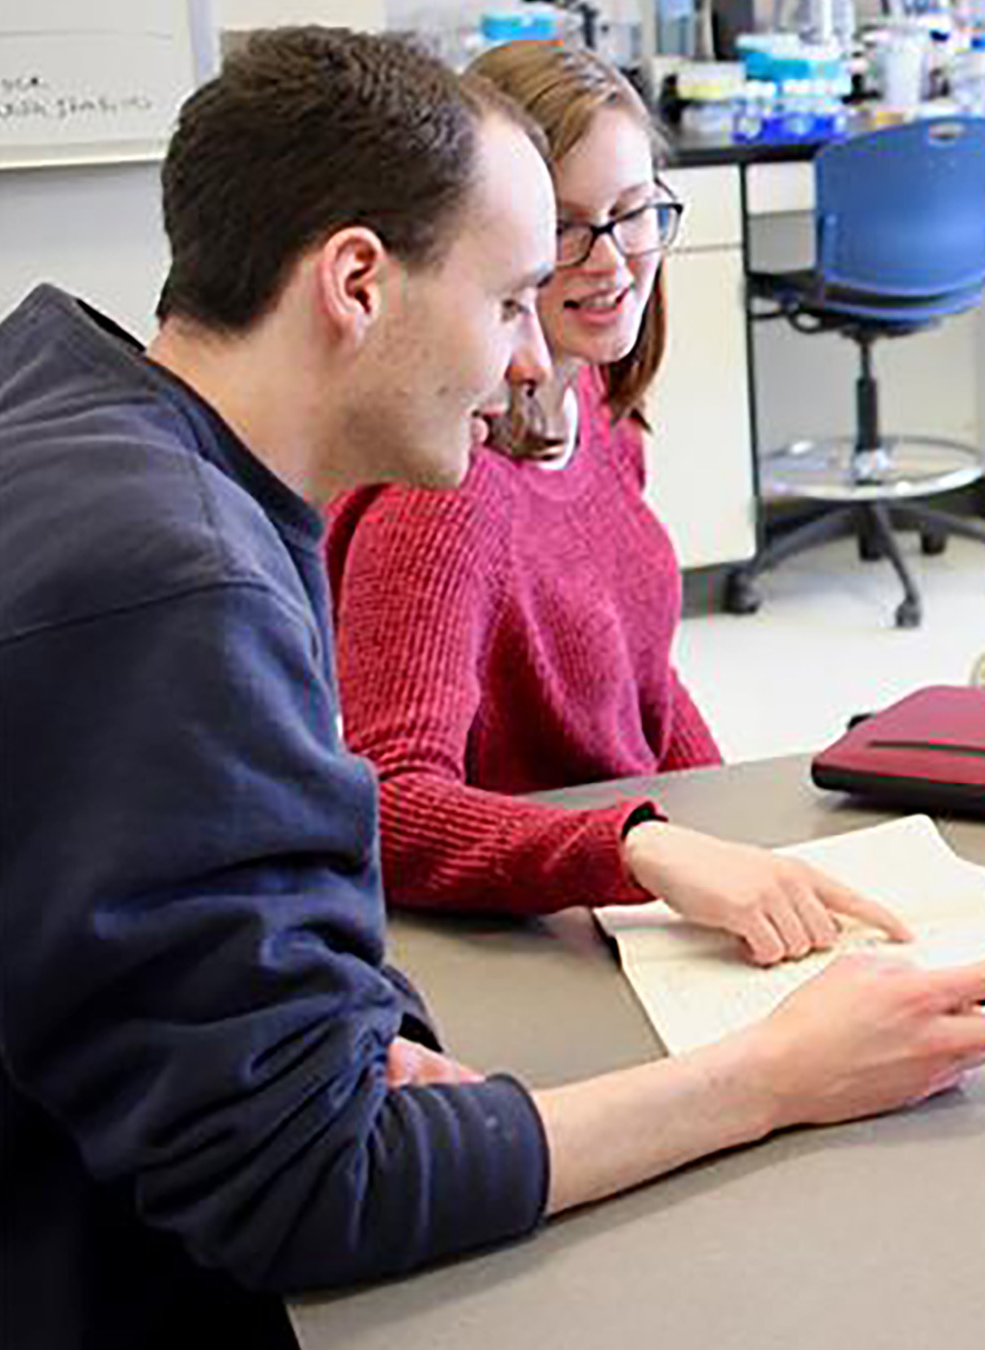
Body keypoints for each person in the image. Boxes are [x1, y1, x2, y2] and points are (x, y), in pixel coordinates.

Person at [0, 30, 985, 1348]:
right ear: (357, 282)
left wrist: (361, 1034)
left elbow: (218, 900)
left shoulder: (87, 412)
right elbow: (309, 1185)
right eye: (506, 305)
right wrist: (769, 1075)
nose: (529, 366)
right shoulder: (182, 585)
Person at [323, 41, 866, 965]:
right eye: (567, 229)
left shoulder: (596, 409)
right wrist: (641, 848)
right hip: (532, 929)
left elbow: (640, 684)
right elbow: (390, 801)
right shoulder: (444, 495)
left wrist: (736, 828)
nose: (611, 261)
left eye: (631, 214)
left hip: (621, 888)